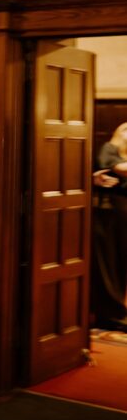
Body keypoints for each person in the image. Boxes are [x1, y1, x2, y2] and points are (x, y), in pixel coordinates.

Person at [92, 124, 127, 329]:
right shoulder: (108, 148)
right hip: (109, 212)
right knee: (110, 261)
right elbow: (119, 168)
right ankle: (110, 314)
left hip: (120, 211)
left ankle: (116, 310)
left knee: (120, 261)